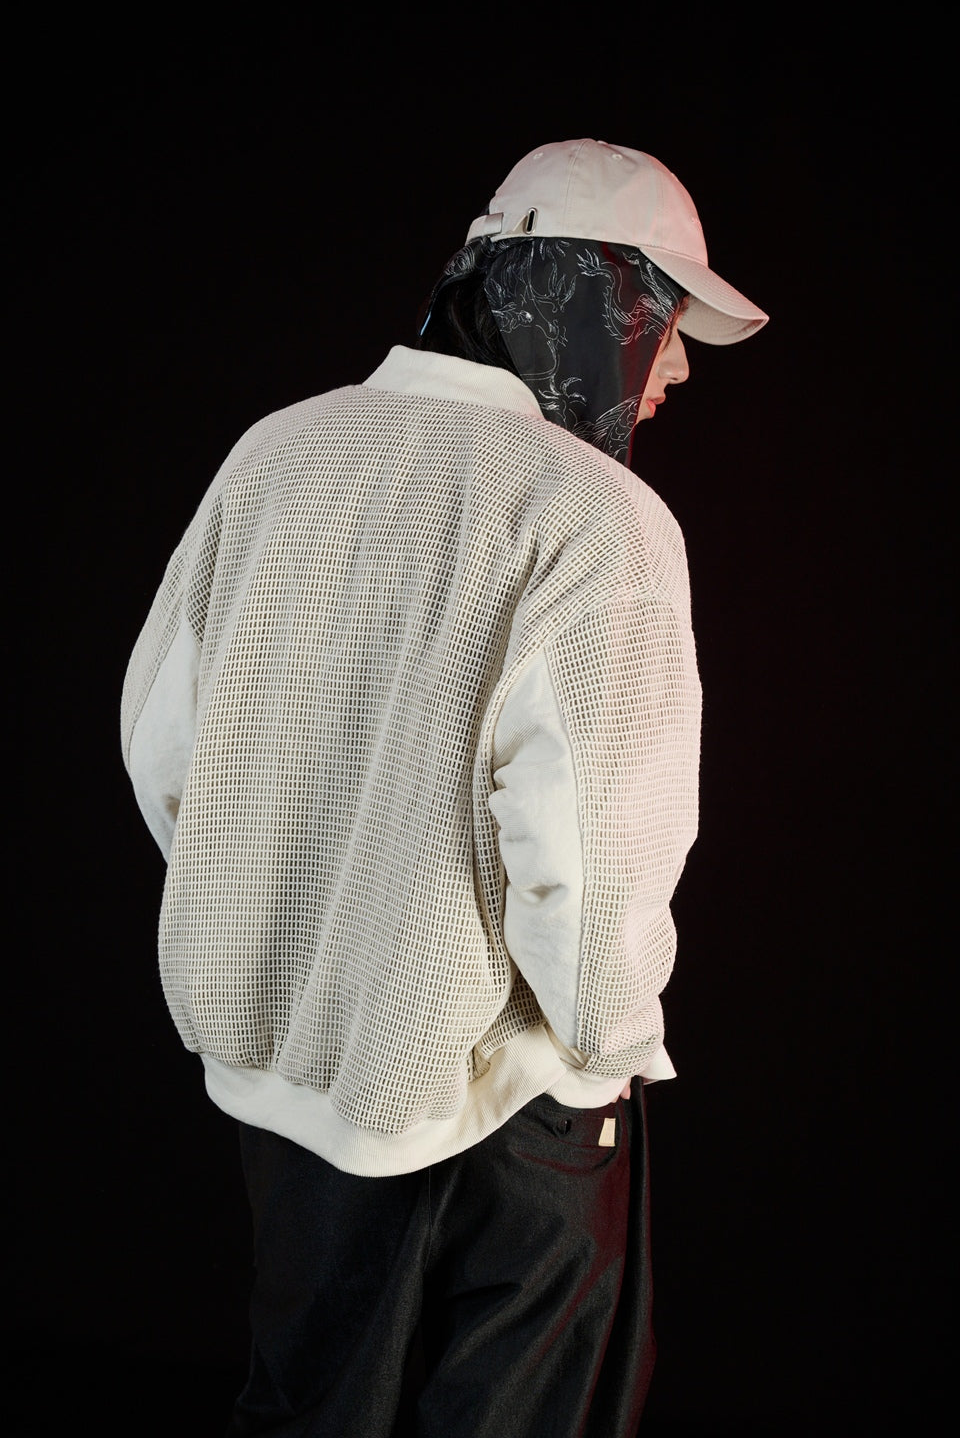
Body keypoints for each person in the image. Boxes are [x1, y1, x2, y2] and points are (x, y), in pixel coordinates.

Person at [120, 138, 767, 1437]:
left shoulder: (276, 454)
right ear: (590, 297)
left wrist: (293, 944)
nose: (678, 368)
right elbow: (586, 845)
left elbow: (165, 744)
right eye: (664, 318)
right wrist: (605, 1052)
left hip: (294, 1078)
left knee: (314, 1406)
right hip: (510, 1091)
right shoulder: (597, 515)